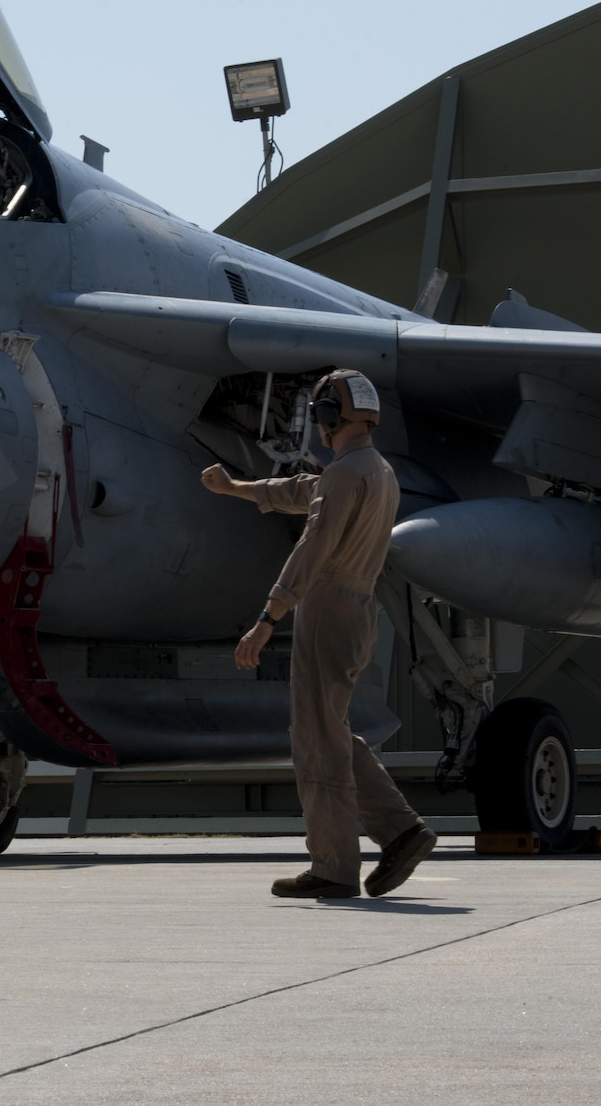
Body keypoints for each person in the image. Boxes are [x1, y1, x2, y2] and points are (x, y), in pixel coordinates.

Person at [201, 371, 438, 900]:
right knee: (328, 730)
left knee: (315, 741)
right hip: (357, 611)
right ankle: (401, 831)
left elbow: (312, 545)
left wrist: (268, 617)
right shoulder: (375, 471)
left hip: (327, 609)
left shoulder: (345, 475)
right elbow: (302, 492)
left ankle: (333, 866)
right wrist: (236, 487)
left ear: (330, 416)